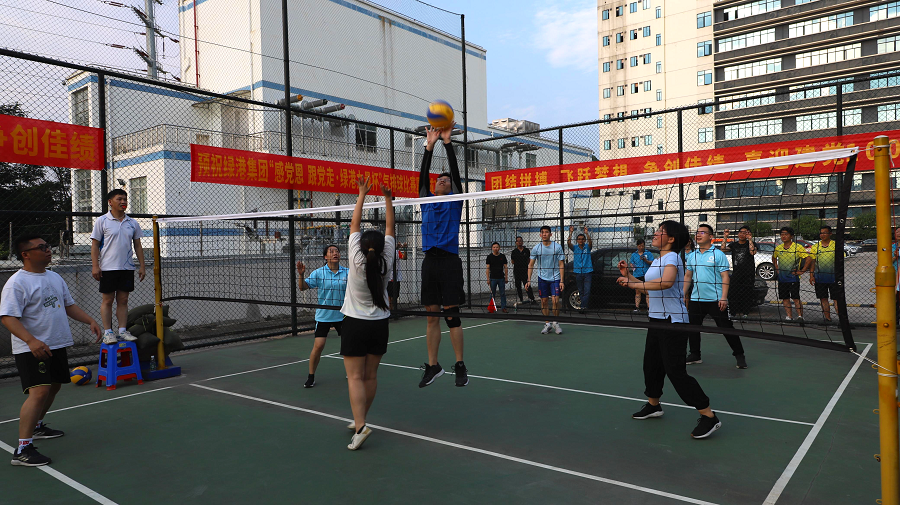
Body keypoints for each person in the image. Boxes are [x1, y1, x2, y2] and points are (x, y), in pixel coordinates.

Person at [1, 235, 102, 466]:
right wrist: (31, 341)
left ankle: (36, 426)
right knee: (39, 392)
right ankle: (23, 450)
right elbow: (7, 317)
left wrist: (90, 321)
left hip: (56, 344)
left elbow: (68, 305)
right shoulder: (17, 283)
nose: (48, 250)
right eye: (42, 247)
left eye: (47, 246)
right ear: (26, 254)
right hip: (32, 348)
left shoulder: (54, 277)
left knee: (54, 386)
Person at [616, 221, 722, 439]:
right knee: (651, 366)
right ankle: (653, 405)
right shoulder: (658, 260)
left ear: (671, 239)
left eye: (660, 231)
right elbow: (650, 289)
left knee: (675, 371)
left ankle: (709, 416)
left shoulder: (672, 257)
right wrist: (628, 277)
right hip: (656, 320)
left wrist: (634, 284)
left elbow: (666, 283)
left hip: (673, 322)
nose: (655, 234)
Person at [340, 177, 395, 450]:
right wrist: (388, 199)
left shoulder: (356, 258)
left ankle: (360, 426)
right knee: (370, 376)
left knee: (354, 377)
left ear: (361, 245)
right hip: (379, 325)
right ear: (383, 247)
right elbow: (390, 228)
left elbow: (354, 224)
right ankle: (360, 419)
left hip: (355, 324)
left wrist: (361, 194)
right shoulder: (387, 260)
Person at [417, 124, 468, 388]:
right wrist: (429, 146)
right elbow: (422, 177)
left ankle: (459, 364)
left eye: (446, 180)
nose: (443, 181)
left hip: (449, 261)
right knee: (431, 316)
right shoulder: (425, 199)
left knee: (451, 315)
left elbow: (456, 175)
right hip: (430, 262)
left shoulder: (455, 201)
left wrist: (447, 143)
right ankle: (433, 365)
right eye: (440, 179)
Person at [684, 225, 747, 369]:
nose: (698, 235)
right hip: (696, 299)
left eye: (702, 232)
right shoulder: (692, 255)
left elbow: (725, 277)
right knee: (692, 328)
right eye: (697, 232)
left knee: (726, 328)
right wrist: (682, 294)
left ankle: (739, 355)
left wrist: (724, 297)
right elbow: (688, 276)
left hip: (716, 300)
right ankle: (695, 354)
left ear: (710, 236)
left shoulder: (718, 254)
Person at [90, 189, 144, 344]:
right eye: (119, 199)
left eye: (125, 199)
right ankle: (108, 333)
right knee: (107, 301)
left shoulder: (132, 223)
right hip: (107, 268)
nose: (123, 202)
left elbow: (138, 245)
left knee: (123, 300)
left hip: (127, 268)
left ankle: (122, 331)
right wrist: (95, 266)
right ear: (110, 202)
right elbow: (95, 245)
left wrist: (142, 266)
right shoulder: (102, 221)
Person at [296, 244, 349, 388]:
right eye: (331, 251)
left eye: (337, 251)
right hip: (324, 315)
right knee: (318, 346)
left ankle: (351, 372)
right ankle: (311, 376)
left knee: (348, 345)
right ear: (325, 256)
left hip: (343, 315)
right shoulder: (319, 273)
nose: (335, 253)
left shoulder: (348, 272)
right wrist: (301, 275)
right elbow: (302, 287)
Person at [526, 225, 565, 334]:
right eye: (542, 232)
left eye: (546, 232)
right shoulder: (536, 248)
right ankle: (547, 324)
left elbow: (561, 264)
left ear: (550, 234)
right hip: (542, 278)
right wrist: (528, 280)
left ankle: (556, 322)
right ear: (540, 235)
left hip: (555, 278)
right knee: (544, 301)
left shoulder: (557, 247)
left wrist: (562, 280)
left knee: (555, 300)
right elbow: (531, 264)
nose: (544, 234)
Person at [773, 226, 808, 321]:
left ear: (791, 236)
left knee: (796, 298)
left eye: (786, 234)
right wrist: (777, 269)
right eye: (782, 234)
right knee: (785, 298)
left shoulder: (798, 247)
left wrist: (802, 270)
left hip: (793, 278)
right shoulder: (778, 248)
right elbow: (774, 258)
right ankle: (789, 316)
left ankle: (800, 316)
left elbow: (808, 258)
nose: (783, 236)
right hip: (782, 279)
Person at [721, 226, 757, 319]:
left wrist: (750, 239)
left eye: (745, 232)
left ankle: (745, 313)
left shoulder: (751, 243)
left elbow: (752, 252)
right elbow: (723, 249)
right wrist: (725, 237)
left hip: (748, 274)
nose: (742, 234)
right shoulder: (734, 244)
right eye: (740, 232)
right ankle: (733, 313)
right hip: (736, 273)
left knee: (747, 294)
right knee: (732, 293)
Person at [808, 226, 840, 324]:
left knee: (837, 299)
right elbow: (813, 262)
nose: (822, 235)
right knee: (823, 298)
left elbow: (840, 261)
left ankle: (842, 320)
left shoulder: (836, 245)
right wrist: (811, 275)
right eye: (821, 233)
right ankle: (827, 319)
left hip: (834, 278)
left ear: (830, 234)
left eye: (825, 233)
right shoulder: (815, 247)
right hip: (820, 278)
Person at [567, 225, 593, 312]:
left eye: (582, 239)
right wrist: (571, 232)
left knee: (587, 291)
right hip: (578, 272)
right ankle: (583, 306)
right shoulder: (575, 248)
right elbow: (568, 243)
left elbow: (590, 242)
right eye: (579, 239)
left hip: (587, 272)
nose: (581, 240)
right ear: (577, 240)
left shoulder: (587, 248)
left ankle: (583, 306)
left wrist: (587, 233)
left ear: (584, 240)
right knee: (581, 290)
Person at [629, 239, 654, 312]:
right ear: (637, 246)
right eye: (639, 246)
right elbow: (631, 262)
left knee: (647, 292)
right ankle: (637, 307)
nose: (641, 247)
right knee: (638, 291)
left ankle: (649, 308)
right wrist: (632, 266)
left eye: (642, 246)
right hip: (637, 274)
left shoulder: (648, 253)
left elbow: (652, 262)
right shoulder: (634, 254)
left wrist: (646, 261)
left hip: (647, 274)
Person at [510, 236, 535, 305]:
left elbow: (528, 260)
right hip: (517, 271)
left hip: (525, 270)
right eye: (517, 241)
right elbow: (512, 261)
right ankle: (521, 299)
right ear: (516, 243)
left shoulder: (526, 250)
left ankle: (532, 299)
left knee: (527, 285)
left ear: (522, 242)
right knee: (518, 286)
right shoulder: (514, 252)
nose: (519, 242)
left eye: (520, 241)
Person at [485, 242, 509, 313]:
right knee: (492, 294)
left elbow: (505, 267)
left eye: (497, 247)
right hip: (493, 278)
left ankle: (504, 307)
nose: (496, 248)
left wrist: (506, 277)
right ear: (492, 248)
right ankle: (491, 308)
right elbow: (487, 268)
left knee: (502, 293)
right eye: (494, 247)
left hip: (501, 278)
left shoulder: (502, 256)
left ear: (499, 248)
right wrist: (488, 279)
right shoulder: (489, 257)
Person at [387, 243, 408, 312]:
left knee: (395, 296)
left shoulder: (397, 252)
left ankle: (392, 309)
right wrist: (396, 247)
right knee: (389, 295)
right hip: (388, 277)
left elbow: (404, 257)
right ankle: (390, 310)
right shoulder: (386, 251)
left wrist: (405, 249)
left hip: (396, 277)